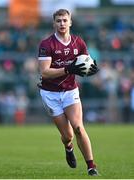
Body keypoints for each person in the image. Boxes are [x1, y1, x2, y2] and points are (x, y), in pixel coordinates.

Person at [37, 9, 99, 176]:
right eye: (58, 21)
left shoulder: (78, 42)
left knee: (78, 127)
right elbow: (45, 72)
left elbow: (85, 63)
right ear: (54, 23)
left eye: (65, 20)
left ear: (70, 22)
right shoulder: (46, 44)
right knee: (67, 135)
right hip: (50, 93)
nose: (62, 24)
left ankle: (91, 166)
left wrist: (92, 69)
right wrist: (68, 69)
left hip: (70, 91)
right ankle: (68, 147)